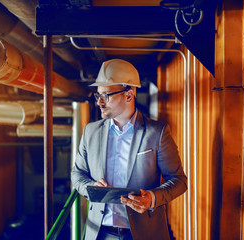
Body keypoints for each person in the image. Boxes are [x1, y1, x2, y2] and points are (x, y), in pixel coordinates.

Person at [71, 59, 187, 240]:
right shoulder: (90, 132)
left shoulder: (157, 132)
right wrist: (90, 187)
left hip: (142, 234)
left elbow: (179, 181)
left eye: (106, 95)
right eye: (98, 95)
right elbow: (77, 175)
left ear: (128, 94)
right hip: (100, 233)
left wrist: (152, 198)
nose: (99, 102)